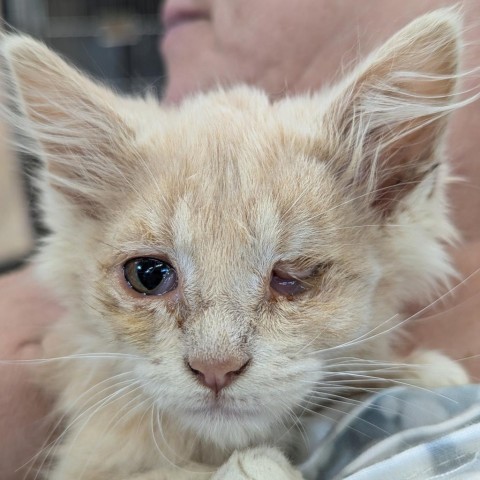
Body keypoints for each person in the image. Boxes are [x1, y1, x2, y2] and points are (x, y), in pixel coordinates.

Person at [1, 0, 480, 478]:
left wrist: (385, 378)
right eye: (150, 276)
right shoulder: (111, 414)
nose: (214, 358)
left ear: (390, 196)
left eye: (293, 278)